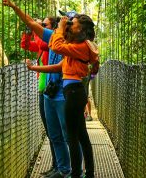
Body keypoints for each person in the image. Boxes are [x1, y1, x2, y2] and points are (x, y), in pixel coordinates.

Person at [2, 0, 71, 178]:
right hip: (49, 93)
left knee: (67, 135)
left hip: (64, 94)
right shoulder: (53, 37)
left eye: (66, 21)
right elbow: (31, 28)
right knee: (54, 134)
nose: (62, 22)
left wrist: (35, 68)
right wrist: (15, 7)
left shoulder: (71, 44)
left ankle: (70, 171)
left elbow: (59, 65)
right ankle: (61, 169)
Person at [49, 14, 98, 178]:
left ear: (82, 30)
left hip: (74, 92)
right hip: (77, 92)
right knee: (82, 135)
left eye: (74, 24)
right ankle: (89, 173)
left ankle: (76, 174)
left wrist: (61, 28)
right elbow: (53, 44)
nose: (70, 25)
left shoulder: (81, 47)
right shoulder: (83, 45)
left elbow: (56, 47)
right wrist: (61, 29)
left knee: (72, 136)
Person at [20, 17, 59, 175]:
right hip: (43, 89)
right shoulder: (42, 45)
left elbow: (43, 43)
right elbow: (26, 45)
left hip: (51, 90)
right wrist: (29, 31)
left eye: (44, 25)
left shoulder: (52, 42)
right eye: (41, 25)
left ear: (52, 28)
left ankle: (60, 166)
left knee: (54, 131)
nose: (41, 27)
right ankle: (56, 165)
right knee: (50, 131)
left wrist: (35, 27)